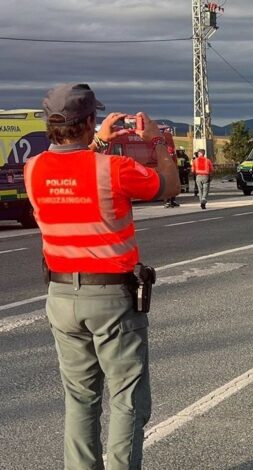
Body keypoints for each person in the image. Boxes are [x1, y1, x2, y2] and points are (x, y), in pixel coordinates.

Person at [23, 83, 180, 470]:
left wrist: (95, 143)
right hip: (111, 298)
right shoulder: (115, 168)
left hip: (61, 296)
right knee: (127, 398)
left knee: (79, 398)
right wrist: (158, 141)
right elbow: (170, 186)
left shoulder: (33, 169)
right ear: (90, 121)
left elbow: (70, 172)